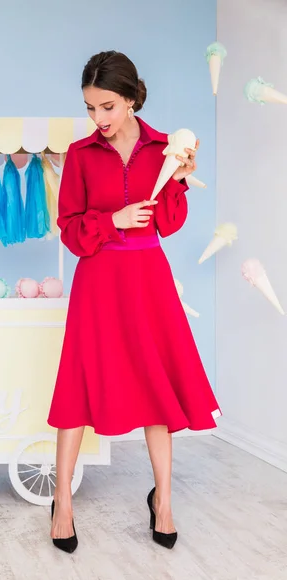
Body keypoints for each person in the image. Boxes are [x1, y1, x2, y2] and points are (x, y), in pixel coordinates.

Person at [47, 50, 221, 553]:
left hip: (148, 276)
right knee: (78, 382)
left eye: (106, 107)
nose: (98, 119)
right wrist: (113, 221)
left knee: (155, 381)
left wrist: (181, 180)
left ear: (129, 99)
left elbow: (168, 222)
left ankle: (163, 502)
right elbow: (71, 231)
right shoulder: (80, 155)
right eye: (89, 108)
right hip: (99, 278)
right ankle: (62, 501)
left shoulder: (165, 149)